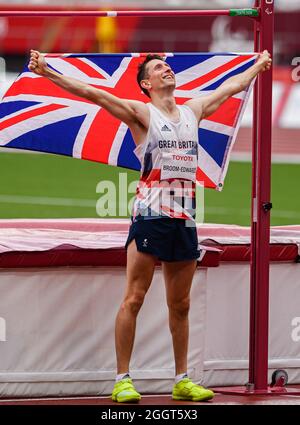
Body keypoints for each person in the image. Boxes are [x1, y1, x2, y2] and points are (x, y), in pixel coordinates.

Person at [29, 49, 272, 403]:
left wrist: (257, 66)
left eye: (167, 65)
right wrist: (48, 71)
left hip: (185, 218)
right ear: (147, 83)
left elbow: (231, 87)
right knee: (135, 297)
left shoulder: (194, 111)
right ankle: (122, 379)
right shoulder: (143, 114)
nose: (167, 69)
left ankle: (182, 379)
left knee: (182, 304)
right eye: (159, 68)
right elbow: (92, 94)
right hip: (150, 216)